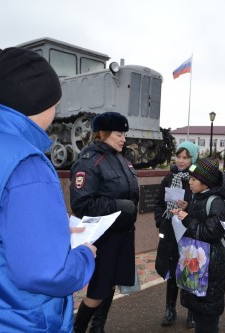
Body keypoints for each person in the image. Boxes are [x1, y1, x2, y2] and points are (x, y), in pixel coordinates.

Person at [0, 47, 96, 332]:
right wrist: (84, 258)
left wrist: (50, 229)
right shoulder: (27, 165)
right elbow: (47, 274)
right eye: (55, 102)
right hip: (17, 319)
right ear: (41, 103)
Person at [70, 112, 139, 333]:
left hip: (123, 233)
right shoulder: (89, 161)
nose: (123, 139)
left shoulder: (121, 158)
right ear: (103, 134)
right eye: (119, 134)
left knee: (110, 283)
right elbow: (82, 204)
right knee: (98, 290)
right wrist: (118, 205)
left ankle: (97, 327)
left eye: (124, 134)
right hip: (104, 238)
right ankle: (78, 328)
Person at [172, 158, 225, 333]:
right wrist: (186, 212)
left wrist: (188, 219)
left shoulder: (216, 203)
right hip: (199, 265)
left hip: (211, 266)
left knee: (208, 320)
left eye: (194, 179)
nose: (190, 182)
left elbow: (210, 234)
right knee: (200, 314)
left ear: (206, 182)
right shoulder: (198, 197)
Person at [153, 141, 199, 328]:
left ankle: (192, 312)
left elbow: (202, 204)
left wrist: (189, 208)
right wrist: (161, 219)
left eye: (185, 157)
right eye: (178, 156)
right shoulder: (168, 178)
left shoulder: (196, 179)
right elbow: (158, 203)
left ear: (192, 159)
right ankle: (170, 309)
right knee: (172, 271)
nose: (180, 161)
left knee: (189, 270)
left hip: (189, 231)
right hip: (171, 230)